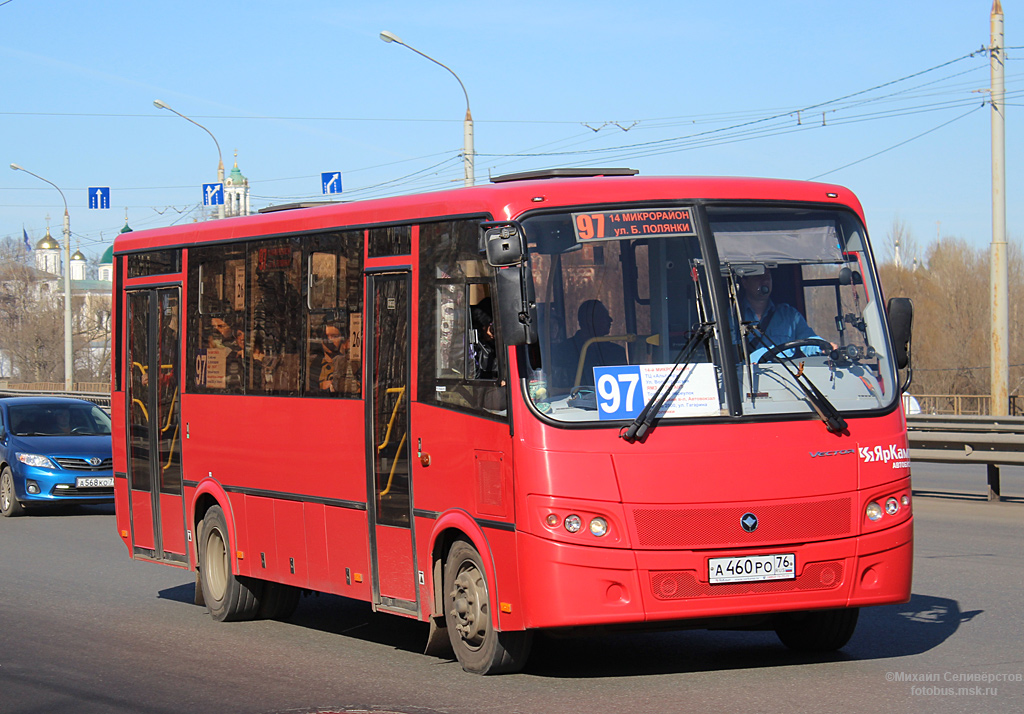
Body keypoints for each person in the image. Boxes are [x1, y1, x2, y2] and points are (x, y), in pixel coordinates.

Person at [737, 270, 828, 360]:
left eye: (768, 277)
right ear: (744, 283)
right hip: (748, 373)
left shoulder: (790, 315)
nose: (765, 281)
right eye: (758, 277)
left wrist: (825, 347)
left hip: (786, 373)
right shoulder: (733, 317)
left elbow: (809, 340)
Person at [563, 299, 627, 386]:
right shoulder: (563, 352)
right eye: (604, 316)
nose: (610, 320)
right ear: (590, 320)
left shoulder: (616, 352)